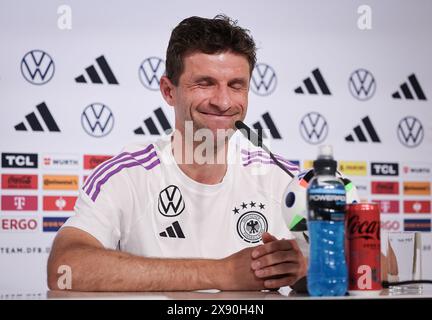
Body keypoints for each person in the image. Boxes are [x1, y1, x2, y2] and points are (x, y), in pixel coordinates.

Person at [47, 14, 307, 292]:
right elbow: (64, 269)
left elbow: (348, 265)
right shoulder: (127, 175)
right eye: (205, 83)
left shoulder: (284, 178)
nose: (223, 101)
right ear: (168, 91)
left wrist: (306, 270)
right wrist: (222, 273)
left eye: (236, 85)